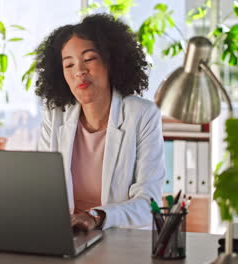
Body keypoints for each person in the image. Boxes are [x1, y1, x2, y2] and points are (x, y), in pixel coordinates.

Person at [35, 14, 165, 231]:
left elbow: (148, 203)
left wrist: (96, 216)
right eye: (69, 65)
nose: (79, 71)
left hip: (122, 242)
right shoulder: (55, 115)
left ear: (110, 61)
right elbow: (41, 189)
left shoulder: (142, 114)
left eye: (89, 59)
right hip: (69, 237)